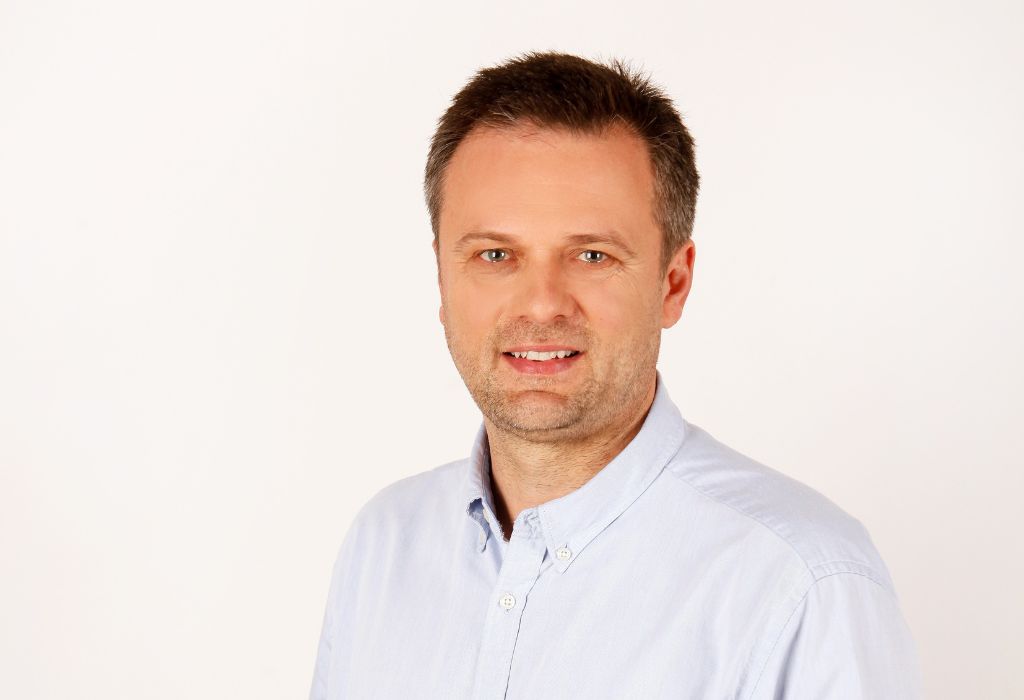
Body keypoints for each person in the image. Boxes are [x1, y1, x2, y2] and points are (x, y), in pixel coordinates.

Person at [309, 51, 921, 699]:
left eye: (592, 256)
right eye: (495, 254)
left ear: (673, 283)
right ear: (441, 279)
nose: (541, 304)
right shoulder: (383, 546)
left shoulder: (802, 587)